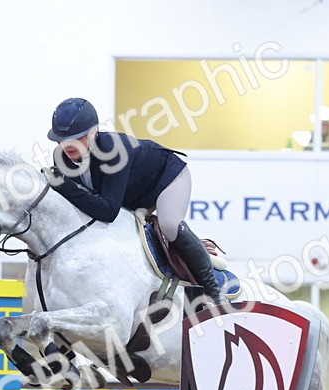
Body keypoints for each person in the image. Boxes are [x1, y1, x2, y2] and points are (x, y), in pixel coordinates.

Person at [44, 97, 221, 301]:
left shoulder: (113, 151)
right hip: (131, 194)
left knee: (170, 225)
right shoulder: (61, 157)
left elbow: (108, 212)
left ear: (93, 133)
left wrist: (63, 186)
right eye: (61, 139)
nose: (67, 145)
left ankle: (214, 293)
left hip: (167, 179)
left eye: (77, 138)